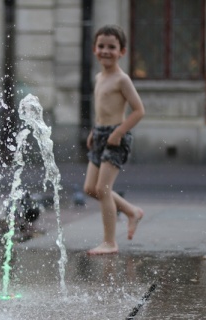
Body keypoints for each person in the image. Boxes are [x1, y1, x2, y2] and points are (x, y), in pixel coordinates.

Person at [84, 25, 145, 255]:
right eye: (101, 46)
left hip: (116, 138)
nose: (106, 51)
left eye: (112, 47)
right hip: (100, 134)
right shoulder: (99, 77)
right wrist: (94, 131)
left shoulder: (122, 80)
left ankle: (110, 242)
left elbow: (139, 110)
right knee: (90, 188)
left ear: (122, 52)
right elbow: (102, 110)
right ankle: (132, 211)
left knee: (103, 188)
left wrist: (118, 133)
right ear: (94, 49)